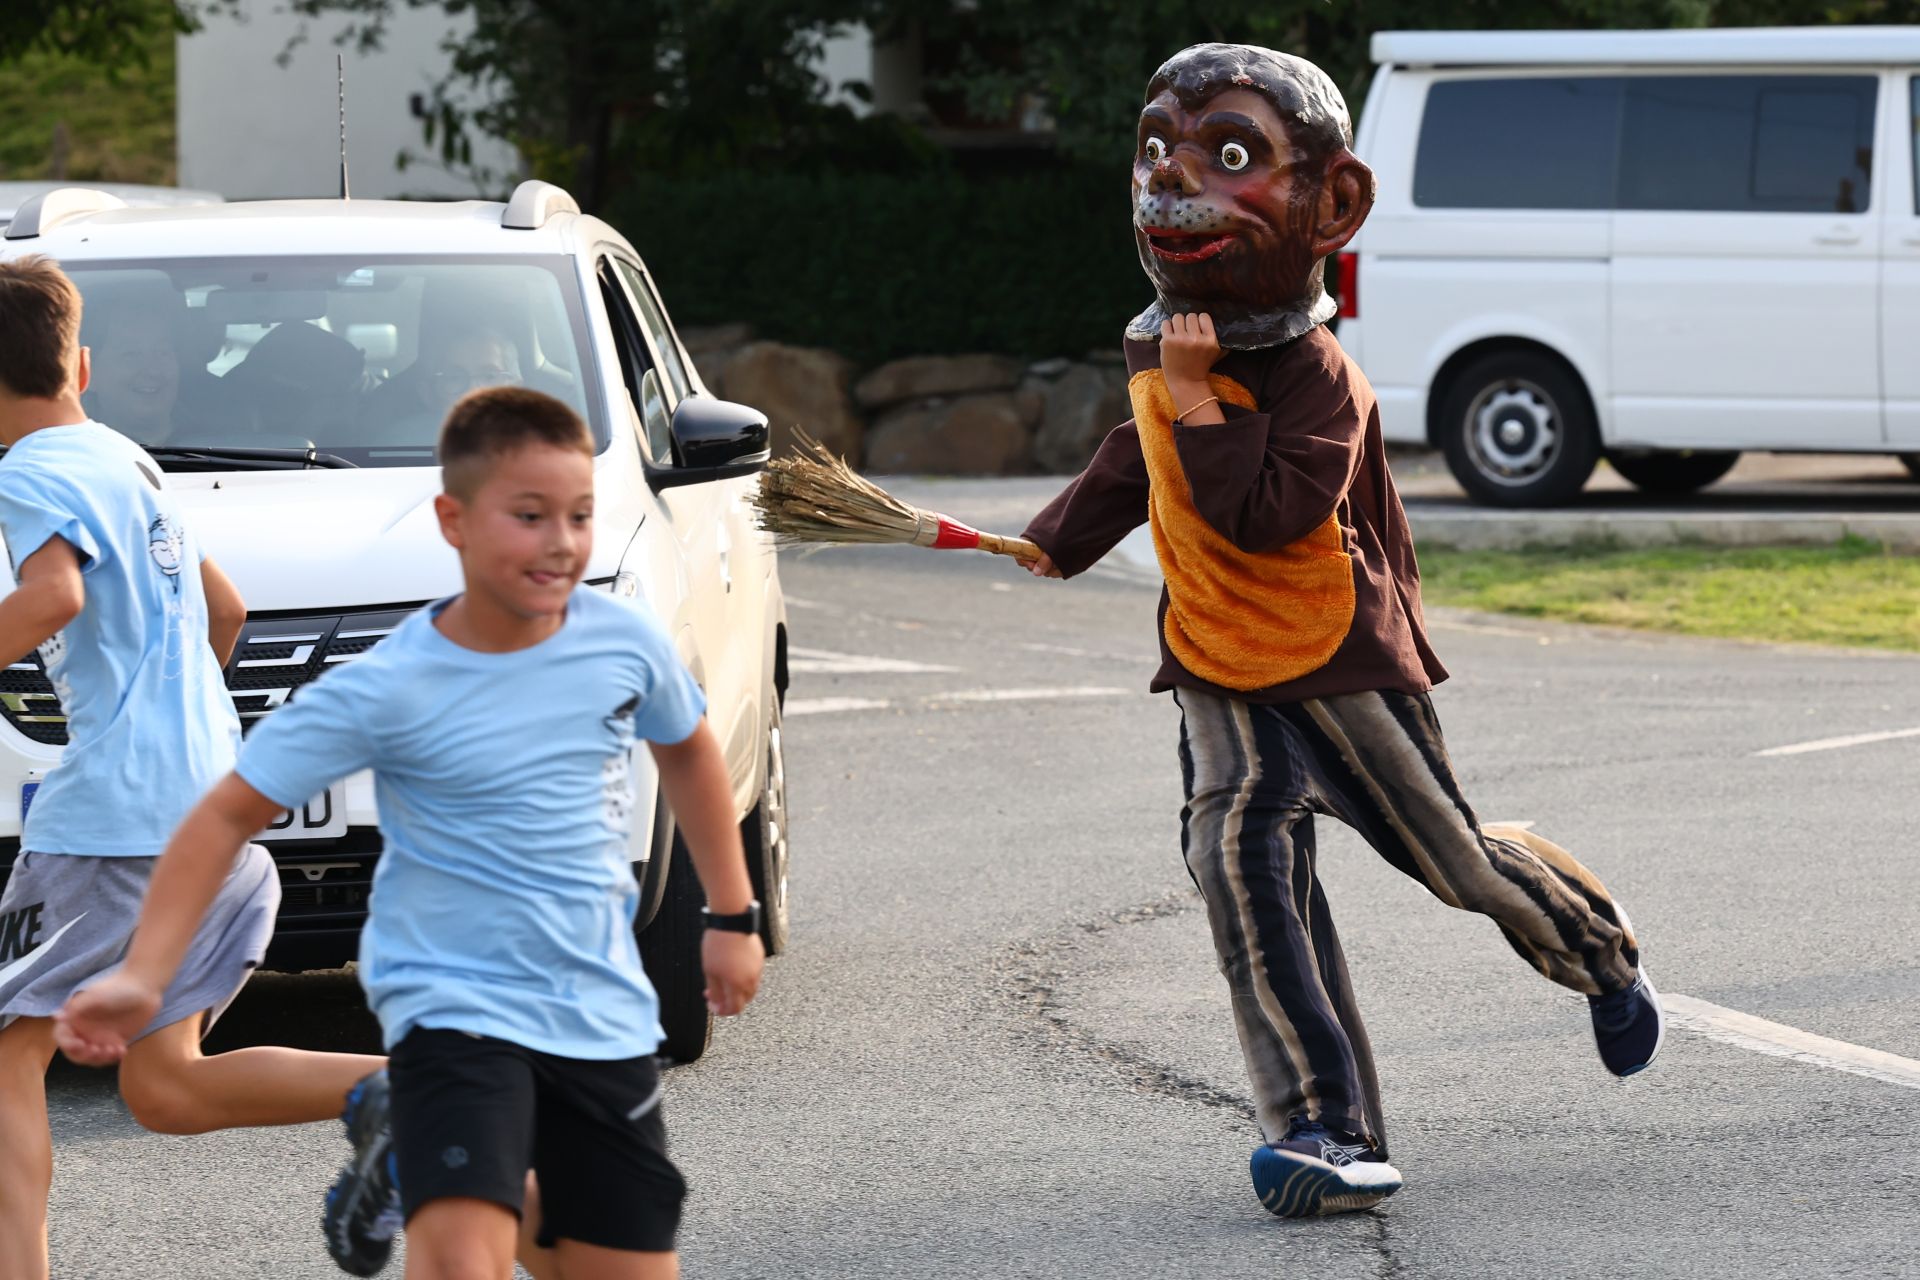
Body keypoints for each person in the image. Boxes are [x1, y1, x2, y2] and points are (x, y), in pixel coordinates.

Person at [1018, 44, 1663, 1219]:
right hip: (1218, 662)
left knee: (1454, 864)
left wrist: (1205, 391)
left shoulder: (1321, 376)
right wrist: (1056, 536)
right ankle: (1326, 1126)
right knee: (1240, 861)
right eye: (1155, 146)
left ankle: (1599, 947)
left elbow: (1261, 512)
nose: (1171, 180)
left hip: (1336, 659)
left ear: (1334, 201)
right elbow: (1147, 454)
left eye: (1226, 154)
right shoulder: (1167, 347)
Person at [58, 385, 766, 1279]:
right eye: (529, 515)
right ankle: (407, 1144)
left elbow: (691, 753)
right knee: (458, 1258)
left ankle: (396, 1164)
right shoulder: (392, 682)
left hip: (598, 1019)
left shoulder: (621, 641)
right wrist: (143, 975)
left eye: (580, 516)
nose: (561, 541)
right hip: (451, 1017)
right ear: (454, 519)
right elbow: (222, 817)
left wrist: (732, 915)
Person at [0, 255, 387, 1280]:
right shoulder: (124, 458)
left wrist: (132, 741)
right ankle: (417, 1082)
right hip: (211, 813)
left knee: (8, 1058)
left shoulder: (27, 472)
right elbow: (226, 610)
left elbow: (52, 598)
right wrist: (177, 729)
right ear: (78, 363)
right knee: (166, 1086)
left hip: (112, 824)